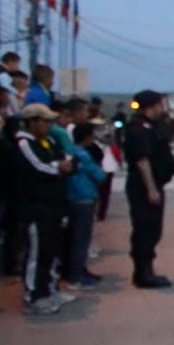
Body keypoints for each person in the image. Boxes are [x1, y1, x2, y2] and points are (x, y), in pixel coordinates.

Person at [13, 104, 75, 314]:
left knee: (52, 249)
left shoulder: (48, 141)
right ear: (32, 122)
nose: (49, 125)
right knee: (36, 252)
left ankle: (49, 287)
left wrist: (64, 166)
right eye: (45, 121)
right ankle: (34, 295)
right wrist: (59, 167)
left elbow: (67, 159)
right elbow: (39, 167)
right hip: (35, 206)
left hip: (55, 204)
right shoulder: (23, 143)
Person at [123, 90, 174, 289]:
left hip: (154, 184)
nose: (162, 108)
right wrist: (151, 188)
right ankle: (143, 273)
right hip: (143, 187)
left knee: (153, 229)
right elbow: (142, 160)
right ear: (151, 106)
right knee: (145, 229)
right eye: (160, 104)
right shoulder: (139, 128)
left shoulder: (152, 125)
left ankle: (147, 270)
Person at [63, 124, 107, 291]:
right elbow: (100, 176)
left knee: (73, 238)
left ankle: (77, 271)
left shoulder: (69, 152)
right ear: (88, 137)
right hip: (84, 197)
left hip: (71, 197)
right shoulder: (84, 156)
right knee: (81, 239)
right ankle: (76, 276)